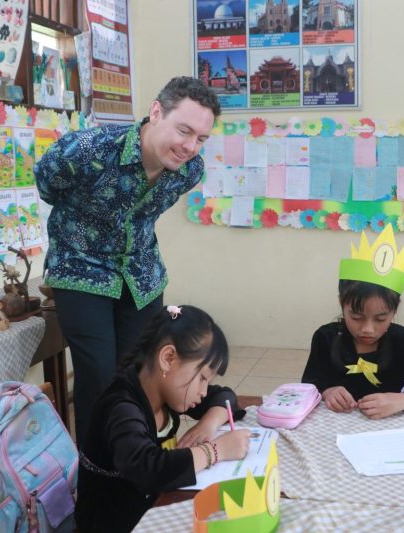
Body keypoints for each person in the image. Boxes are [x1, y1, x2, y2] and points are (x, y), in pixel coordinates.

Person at [34, 76, 220, 442]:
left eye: (200, 139)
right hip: (81, 268)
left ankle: (138, 458)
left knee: (143, 370)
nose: (189, 146)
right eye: (183, 130)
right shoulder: (88, 150)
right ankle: (96, 473)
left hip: (141, 273)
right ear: (155, 112)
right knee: (100, 375)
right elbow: (46, 184)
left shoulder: (189, 171)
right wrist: (80, 226)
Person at [75, 305, 251, 533]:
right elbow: (147, 468)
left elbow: (225, 397)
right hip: (113, 522)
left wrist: (209, 424)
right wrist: (215, 451)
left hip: (152, 507)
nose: (204, 391)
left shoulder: (163, 389)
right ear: (168, 358)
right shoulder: (121, 408)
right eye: (202, 378)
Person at [301, 225, 404, 419]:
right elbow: (306, 388)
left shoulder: (401, 340)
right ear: (341, 303)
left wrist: (403, 400)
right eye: (356, 317)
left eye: (381, 318)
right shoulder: (326, 338)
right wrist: (326, 391)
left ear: (394, 311)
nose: (368, 329)